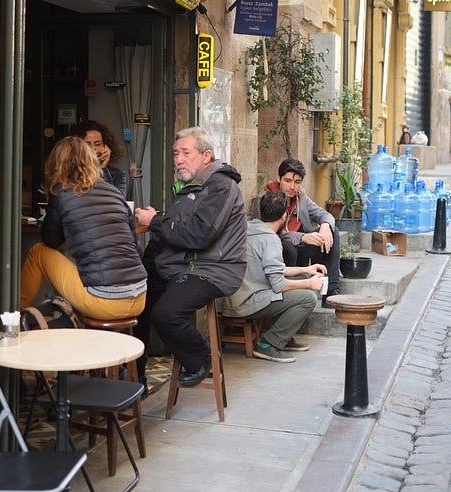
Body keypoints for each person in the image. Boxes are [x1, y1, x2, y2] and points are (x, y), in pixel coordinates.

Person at [135, 126, 247, 387]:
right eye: (176, 154)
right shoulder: (191, 185)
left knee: (166, 313)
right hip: (186, 265)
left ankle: (202, 356)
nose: (178, 160)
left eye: (186, 153)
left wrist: (155, 221)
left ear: (206, 156)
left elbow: (199, 234)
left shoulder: (221, 185)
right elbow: (185, 225)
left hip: (214, 269)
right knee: (139, 304)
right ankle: (134, 378)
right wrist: (161, 218)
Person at [20, 136, 147, 321]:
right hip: (139, 297)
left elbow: (51, 241)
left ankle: (13, 319)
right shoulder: (113, 192)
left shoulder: (61, 193)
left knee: (38, 252)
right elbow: (134, 244)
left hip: (105, 301)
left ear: (56, 164)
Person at [222, 190, 325, 362]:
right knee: (308, 298)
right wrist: (310, 283)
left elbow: (275, 269)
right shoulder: (270, 239)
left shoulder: (246, 228)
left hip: (232, 298)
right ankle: (268, 344)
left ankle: (285, 336)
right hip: (245, 303)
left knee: (298, 282)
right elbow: (279, 285)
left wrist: (306, 270)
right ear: (284, 216)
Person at [251, 157, 340, 308]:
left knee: (333, 231)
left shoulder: (301, 198)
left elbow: (324, 214)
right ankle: (290, 295)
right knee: (287, 246)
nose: (292, 186)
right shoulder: (264, 199)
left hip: (302, 250)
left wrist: (325, 226)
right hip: (279, 253)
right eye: (287, 180)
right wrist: (302, 237)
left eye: (297, 182)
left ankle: (331, 292)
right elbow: (268, 233)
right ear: (279, 179)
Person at [75, 120, 127, 197]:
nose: (93, 148)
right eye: (87, 144)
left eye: (97, 144)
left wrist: (103, 169)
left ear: (106, 146)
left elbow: (118, 201)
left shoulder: (117, 174)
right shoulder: (73, 172)